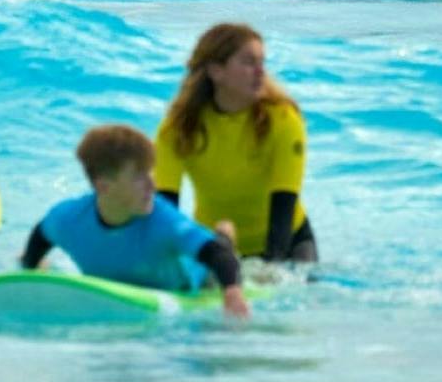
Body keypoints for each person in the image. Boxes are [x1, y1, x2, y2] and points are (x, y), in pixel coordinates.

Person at [20, 123, 249, 319]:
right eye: (139, 176)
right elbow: (41, 236)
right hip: (135, 282)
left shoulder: (162, 219)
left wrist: (232, 291)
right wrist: (30, 267)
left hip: (196, 280)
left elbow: (215, 254)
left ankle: (225, 234)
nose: (152, 185)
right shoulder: (69, 218)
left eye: (151, 173)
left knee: (221, 251)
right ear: (103, 186)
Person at [155, 23, 316, 264]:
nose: (261, 71)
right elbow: (165, 209)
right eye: (249, 62)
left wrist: (273, 270)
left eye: (262, 62)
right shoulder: (178, 129)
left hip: (289, 242)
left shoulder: (283, 119)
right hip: (216, 244)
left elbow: (284, 205)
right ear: (216, 70)